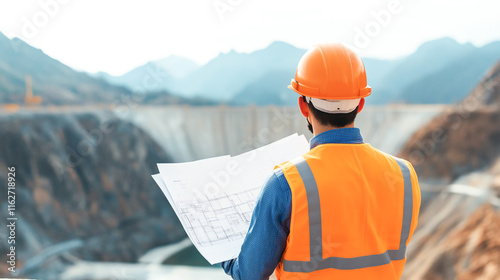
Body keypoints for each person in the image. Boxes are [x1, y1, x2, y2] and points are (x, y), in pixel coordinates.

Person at [221, 43, 421, 280]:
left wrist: (223, 250)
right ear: (361, 103)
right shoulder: (404, 175)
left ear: (303, 106)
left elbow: (249, 275)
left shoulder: (285, 184)